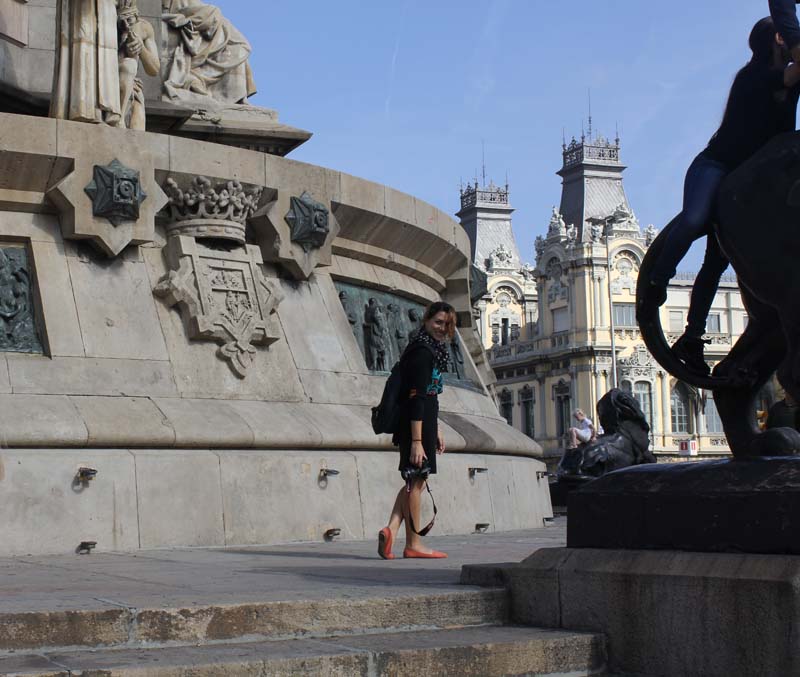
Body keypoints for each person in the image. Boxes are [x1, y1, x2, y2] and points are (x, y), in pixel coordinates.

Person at [644, 17, 800, 375]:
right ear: (777, 40)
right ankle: (659, 279)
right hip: (715, 167)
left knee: (718, 261)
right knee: (695, 218)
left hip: (746, 188)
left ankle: (692, 338)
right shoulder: (754, 76)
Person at [378, 301, 455, 560]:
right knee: (416, 482)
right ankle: (414, 543)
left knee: (415, 482)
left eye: (447, 324)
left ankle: (391, 529)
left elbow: (429, 396)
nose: (442, 328)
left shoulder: (427, 348)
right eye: (438, 322)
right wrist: (417, 441)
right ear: (426, 320)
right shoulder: (423, 352)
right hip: (416, 426)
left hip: (424, 423)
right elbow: (416, 397)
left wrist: (437, 430)